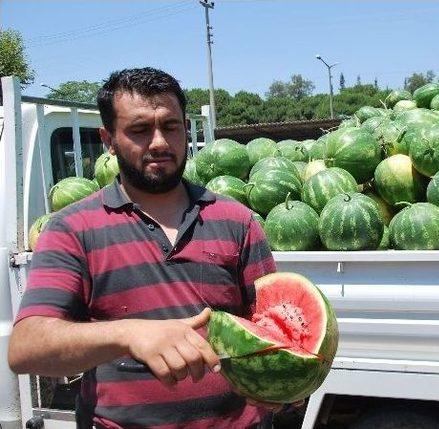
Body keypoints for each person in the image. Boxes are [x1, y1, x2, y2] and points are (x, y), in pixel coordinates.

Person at [8, 68, 284, 429]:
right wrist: (129, 333)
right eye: (139, 130)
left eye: (170, 126)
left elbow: (275, 327)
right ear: (108, 139)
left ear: (185, 129)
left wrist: (284, 384)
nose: (158, 142)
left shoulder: (238, 221)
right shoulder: (73, 229)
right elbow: (26, 347)